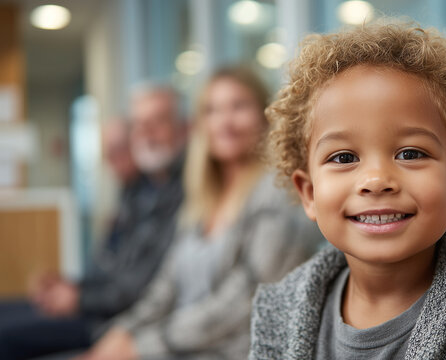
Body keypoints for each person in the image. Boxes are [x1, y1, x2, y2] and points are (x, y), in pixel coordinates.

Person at [249, 21, 446, 359]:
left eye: (410, 154)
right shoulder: (281, 310)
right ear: (309, 194)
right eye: (344, 157)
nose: (376, 179)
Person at [79, 67, 323, 360]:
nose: (225, 121)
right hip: (179, 346)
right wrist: (121, 332)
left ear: (265, 115)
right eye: (212, 110)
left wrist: (141, 345)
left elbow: (243, 302)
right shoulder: (202, 196)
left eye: (239, 106)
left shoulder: (279, 193)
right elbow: (164, 288)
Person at [0, 85, 186, 360]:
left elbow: (143, 289)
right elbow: (112, 267)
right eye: (139, 124)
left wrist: (78, 298)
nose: (147, 133)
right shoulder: (137, 191)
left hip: (109, 321)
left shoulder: (184, 193)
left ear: (184, 129)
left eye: (158, 121)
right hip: (101, 309)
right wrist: (71, 287)